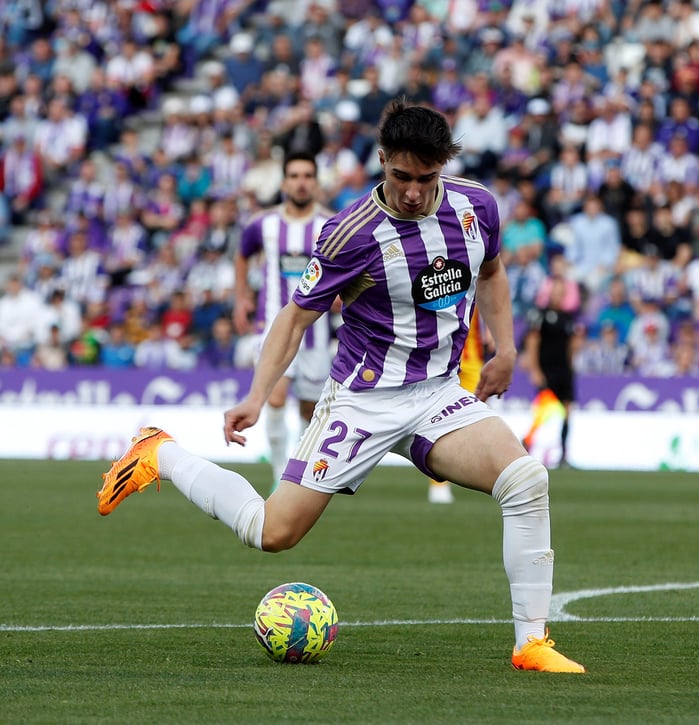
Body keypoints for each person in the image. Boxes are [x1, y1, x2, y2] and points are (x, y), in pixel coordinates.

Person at [98, 100, 585, 674]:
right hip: (361, 401)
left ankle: (531, 644)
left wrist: (503, 349)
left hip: (437, 395)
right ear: (382, 161)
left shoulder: (477, 207)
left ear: (444, 167)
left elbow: (492, 273)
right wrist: (257, 394)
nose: (411, 191)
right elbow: (294, 316)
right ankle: (161, 452)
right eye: (400, 176)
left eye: (425, 179)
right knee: (273, 532)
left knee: (526, 478)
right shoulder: (349, 234)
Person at [233, 151, 334, 486]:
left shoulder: (330, 225)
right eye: (294, 176)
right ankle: (279, 473)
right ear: (283, 182)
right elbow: (242, 254)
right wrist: (241, 297)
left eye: (307, 176)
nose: (300, 182)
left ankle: (297, 472)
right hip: (272, 324)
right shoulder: (264, 224)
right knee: (274, 397)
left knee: (308, 409)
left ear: (316, 182)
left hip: (317, 332)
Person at [522, 252, 580, 468]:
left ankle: (564, 454)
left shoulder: (568, 318)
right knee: (544, 410)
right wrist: (535, 369)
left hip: (564, 369)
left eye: (561, 291)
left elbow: (572, 344)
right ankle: (527, 442)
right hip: (547, 369)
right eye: (555, 291)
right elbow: (533, 342)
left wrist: (572, 364)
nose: (558, 294)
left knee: (567, 410)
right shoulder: (541, 315)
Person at [427, 306, 483, 504]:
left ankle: (469, 475)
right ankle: (439, 484)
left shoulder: (476, 279)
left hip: (471, 360)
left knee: (473, 422)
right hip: (442, 358)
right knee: (437, 423)